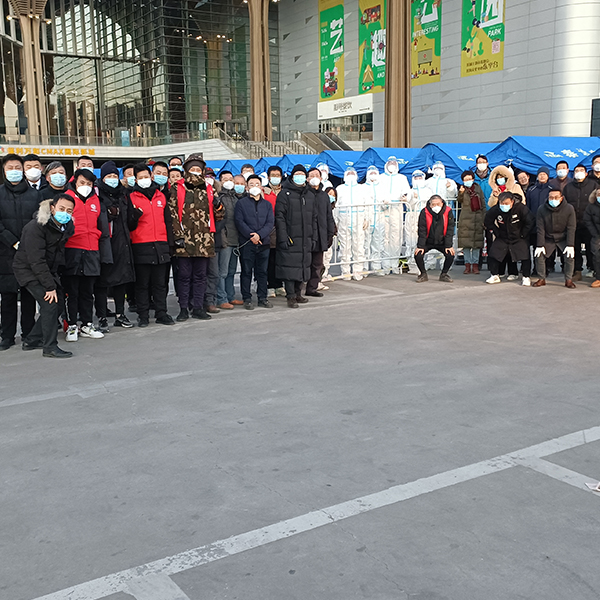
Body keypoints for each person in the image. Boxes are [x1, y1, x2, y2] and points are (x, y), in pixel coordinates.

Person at [12, 194, 75, 358]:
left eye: (69, 211)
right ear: (52, 208)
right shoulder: (36, 226)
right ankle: (50, 347)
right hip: (28, 269)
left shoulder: (65, 227)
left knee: (58, 304)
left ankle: (32, 340)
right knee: (50, 304)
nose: (65, 213)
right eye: (61, 209)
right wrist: (49, 286)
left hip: (47, 269)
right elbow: (36, 260)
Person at [167, 154, 219, 321]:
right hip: (185, 240)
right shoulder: (177, 188)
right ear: (186, 170)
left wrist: (218, 206)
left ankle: (198, 307)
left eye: (198, 169)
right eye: (192, 169)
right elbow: (172, 214)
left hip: (204, 240)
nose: (195, 172)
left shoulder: (209, 188)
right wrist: (178, 235)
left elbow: (218, 215)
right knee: (183, 276)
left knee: (200, 276)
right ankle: (183, 308)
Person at [0, 153, 42, 350]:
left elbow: (39, 220)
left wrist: (25, 242)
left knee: (28, 296)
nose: (14, 171)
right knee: (8, 296)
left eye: (18, 168)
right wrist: (12, 241)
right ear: (4, 171)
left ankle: (29, 334)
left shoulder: (35, 195)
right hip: (5, 252)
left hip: (28, 252)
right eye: (10, 168)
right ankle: (7, 336)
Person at [62, 168, 109, 341]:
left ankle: (87, 324)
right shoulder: (66, 198)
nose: (85, 186)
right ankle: (72, 325)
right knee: (72, 292)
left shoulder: (96, 200)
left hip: (92, 250)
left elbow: (102, 228)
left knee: (88, 292)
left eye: (89, 183)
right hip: (72, 249)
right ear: (75, 181)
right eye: (82, 182)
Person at [128, 163, 175, 327]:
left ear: (151, 177)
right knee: (142, 284)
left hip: (160, 244)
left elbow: (167, 221)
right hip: (141, 244)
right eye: (140, 177)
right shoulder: (131, 197)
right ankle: (143, 315)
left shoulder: (160, 196)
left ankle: (161, 313)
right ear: (135, 180)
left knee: (160, 283)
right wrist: (134, 217)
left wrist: (170, 244)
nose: (144, 179)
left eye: (146, 176)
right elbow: (129, 225)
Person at [95, 161, 135, 330]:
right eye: (108, 176)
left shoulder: (123, 194)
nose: (112, 179)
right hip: (104, 243)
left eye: (114, 176)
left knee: (121, 280)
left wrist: (134, 216)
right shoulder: (97, 194)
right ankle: (102, 316)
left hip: (122, 242)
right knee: (102, 282)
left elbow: (129, 219)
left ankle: (120, 314)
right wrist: (107, 214)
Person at [275, 164, 317, 308]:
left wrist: (313, 237)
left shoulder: (310, 195)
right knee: (289, 268)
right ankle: (291, 296)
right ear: (292, 176)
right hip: (291, 237)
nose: (300, 177)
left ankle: (298, 293)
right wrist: (283, 236)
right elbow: (279, 217)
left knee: (303, 266)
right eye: (297, 174)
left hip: (305, 238)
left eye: (302, 174)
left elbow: (314, 218)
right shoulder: (284, 194)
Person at [234, 174, 274, 309]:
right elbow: (239, 221)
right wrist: (251, 235)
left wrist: (260, 235)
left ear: (261, 187)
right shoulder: (241, 203)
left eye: (257, 184)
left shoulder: (267, 205)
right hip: (247, 242)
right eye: (251, 184)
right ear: (247, 187)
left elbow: (270, 223)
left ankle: (263, 297)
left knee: (262, 272)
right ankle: (247, 298)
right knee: (246, 271)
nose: (254, 187)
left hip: (264, 243)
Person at [483, 192, 535, 286]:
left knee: (525, 255)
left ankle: (526, 277)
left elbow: (530, 222)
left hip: (519, 236)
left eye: (506, 203)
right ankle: (494, 275)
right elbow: (488, 221)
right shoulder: (496, 209)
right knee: (493, 253)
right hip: (503, 236)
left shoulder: (521, 208)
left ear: (512, 201)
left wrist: (523, 234)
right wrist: (496, 232)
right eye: (501, 203)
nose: (504, 205)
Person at [533, 188, 577, 288]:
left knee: (569, 256)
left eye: (556, 197)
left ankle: (568, 280)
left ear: (561, 198)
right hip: (548, 237)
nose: (553, 199)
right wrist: (540, 245)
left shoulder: (569, 208)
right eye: (551, 197)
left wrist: (570, 244)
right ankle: (541, 278)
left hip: (563, 237)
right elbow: (540, 228)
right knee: (539, 255)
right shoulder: (541, 209)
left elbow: (571, 227)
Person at [563, 164, 597, 280]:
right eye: (576, 170)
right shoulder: (568, 187)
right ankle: (577, 270)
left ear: (586, 173)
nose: (579, 172)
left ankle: (592, 268)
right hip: (573, 223)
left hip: (589, 223)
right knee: (575, 247)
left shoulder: (593, 185)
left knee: (590, 248)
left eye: (581, 170)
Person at [305, 167, 336, 295]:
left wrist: (330, 233)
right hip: (307, 235)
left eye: (316, 175)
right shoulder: (304, 194)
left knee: (317, 264)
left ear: (321, 178)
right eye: (311, 176)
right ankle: (298, 289)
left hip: (320, 234)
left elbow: (329, 216)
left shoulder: (324, 196)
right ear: (307, 179)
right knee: (305, 263)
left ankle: (312, 288)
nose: (314, 178)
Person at [336, 166, 369, 281]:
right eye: (348, 173)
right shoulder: (340, 188)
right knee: (344, 247)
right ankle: (345, 271)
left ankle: (358, 270)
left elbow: (367, 204)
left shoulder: (361, 188)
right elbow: (336, 206)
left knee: (358, 246)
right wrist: (336, 221)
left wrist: (367, 218)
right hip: (344, 220)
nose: (350, 175)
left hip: (358, 220)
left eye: (352, 173)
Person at [414, 195, 455, 283]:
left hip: (442, 241)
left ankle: (444, 274)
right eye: (433, 204)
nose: (436, 206)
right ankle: (423, 274)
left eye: (438, 204)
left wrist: (448, 245)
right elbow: (422, 230)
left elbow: (450, 229)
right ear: (430, 204)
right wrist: (421, 246)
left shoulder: (448, 211)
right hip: (428, 241)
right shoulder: (424, 212)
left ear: (442, 203)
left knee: (450, 254)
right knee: (418, 254)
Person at [381, 156, 410, 274]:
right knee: (384, 236)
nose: (392, 165)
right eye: (390, 163)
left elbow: (407, 192)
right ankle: (385, 265)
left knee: (396, 236)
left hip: (397, 208)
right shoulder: (381, 178)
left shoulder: (402, 178)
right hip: (383, 208)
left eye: (394, 163)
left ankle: (394, 264)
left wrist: (405, 197)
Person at [215, 170, 237, 309]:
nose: (228, 181)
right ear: (220, 181)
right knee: (222, 271)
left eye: (231, 179)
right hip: (225, 239)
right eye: (225, 179)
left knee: (232, 270)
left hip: (236, 238)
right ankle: (221, 298)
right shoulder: (220, 197)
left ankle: (231, 296)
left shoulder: (237, 197)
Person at [263, 166, 286, 298]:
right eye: (273, 175)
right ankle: (270, 285)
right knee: (270, 259)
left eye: (278, 175)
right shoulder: (264, 191)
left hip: (283, 229)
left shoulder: (285, 191)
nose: (275, 177)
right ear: (268, 177)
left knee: (281, 259)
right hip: (270, 229)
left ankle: (279, 284)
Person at [457, 170, 486, 274]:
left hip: (477, 218)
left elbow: (482, 203)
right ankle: (467, 265)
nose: (468, 181)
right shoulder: (462, 189)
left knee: (476, 245)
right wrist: (461, 192)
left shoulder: (478, 188)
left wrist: (483, 218)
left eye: (469, 179)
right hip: (465, 219)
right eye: (466, 179)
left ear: (473, 179)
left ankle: (475, 265)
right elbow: (459, 200)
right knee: (466, 244)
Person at [405, 169, 432, 272]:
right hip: (412, 216)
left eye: (420, 177)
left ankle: (426, 263)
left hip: (425, 217)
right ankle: (412, 264)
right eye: (416, 178)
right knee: (411, 240)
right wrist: (414, 199)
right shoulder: (410, 191)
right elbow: (408, 203)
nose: (418, 180)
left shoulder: (428, 191)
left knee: (425, 239)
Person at [363, 166, 386, 275]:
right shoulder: (362, 188)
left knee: (378, 242)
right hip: (367, 218)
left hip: (379, 217)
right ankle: (364, 267)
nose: (373, 175)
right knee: (365, 243)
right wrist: (363, 218)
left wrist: (385, 204)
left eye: (374, 173)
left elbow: (386, 202)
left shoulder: (382, 187)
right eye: (370, 173)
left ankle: (377, 266)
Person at [583, 186, 600, 288]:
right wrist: (594, 233)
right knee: (597, 257)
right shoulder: (590, 207)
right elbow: (587, 220)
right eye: (599, 194)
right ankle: (598, 278)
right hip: (596, 235)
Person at [322, 187, 338, 282]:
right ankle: (321, 275)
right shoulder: (322, 207)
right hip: (323, 234)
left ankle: (325, 273)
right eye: (329, 194)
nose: (331, 196)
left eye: (333, 195)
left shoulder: (333, 208)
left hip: (329, 235)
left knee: (328, 255)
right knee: (322, 256)